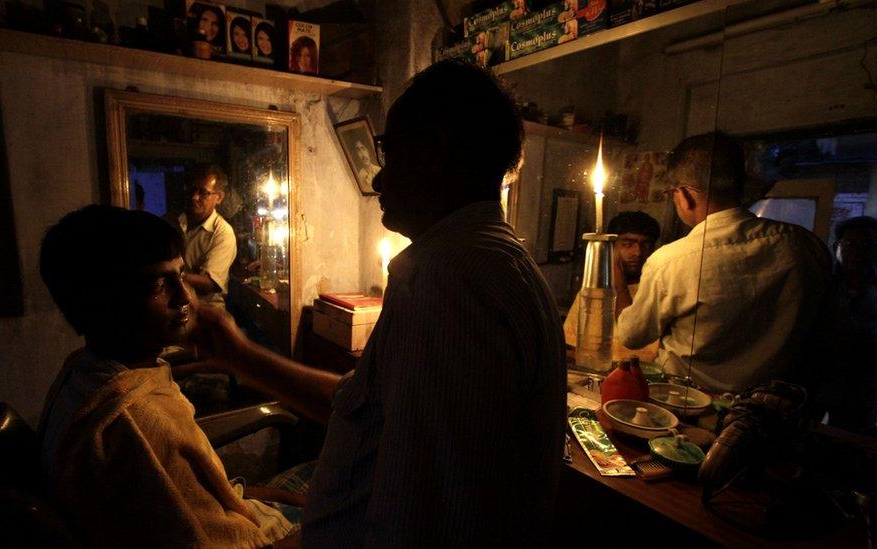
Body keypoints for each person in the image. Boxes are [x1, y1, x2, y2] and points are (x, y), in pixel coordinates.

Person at [196, 60, 566, 546]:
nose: (377, 180)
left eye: (388, 153)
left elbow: (424, 510)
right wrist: (237, 351)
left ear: (434, 152)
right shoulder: (477, 263)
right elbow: (364, 406)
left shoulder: (450, 280)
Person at [37, 205, 295, 547]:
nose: (184, 296)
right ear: (104, 303)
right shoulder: (134, 425)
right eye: (160, 284)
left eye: (182, 275)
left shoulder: (83, 371)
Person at [616, 131, 831, 393]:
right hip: (771, 405)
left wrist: (614, 280)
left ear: (684, 195)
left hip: (689, 401)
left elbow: (632, 335)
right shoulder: (804, 245)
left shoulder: (672, 260)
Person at [564, 210, 661, 362]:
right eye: (627, 244)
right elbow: (572, 349)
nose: (637, 252)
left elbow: (640, 348)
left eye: (646, 245)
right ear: (612, 246)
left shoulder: (657, 291)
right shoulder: (594, 292)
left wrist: (617, 278)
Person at [825, 216, 877, 431]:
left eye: (866, 245)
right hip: (818, 382)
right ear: (837, 246)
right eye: (849, 244)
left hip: (863, 386)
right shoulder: (820, 281)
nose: (857, 252)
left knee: (851, 446)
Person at [174, 164, 237, 308]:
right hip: (177, 306)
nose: (194, 197)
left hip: (206, 312)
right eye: (192, 190)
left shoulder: (222, 233)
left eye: (203, 193)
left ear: (219, 197)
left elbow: (209, 284)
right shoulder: (174, 220)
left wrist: (170, 275)